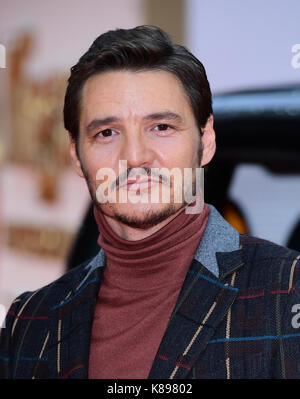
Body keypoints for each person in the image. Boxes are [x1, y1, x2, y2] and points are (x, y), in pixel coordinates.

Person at [1, 25, 300, 380]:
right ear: (78, 158)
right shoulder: (29, 320)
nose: (135, 156)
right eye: (107, 133)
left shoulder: (288, 289)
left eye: (161, 127)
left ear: (205, 142)